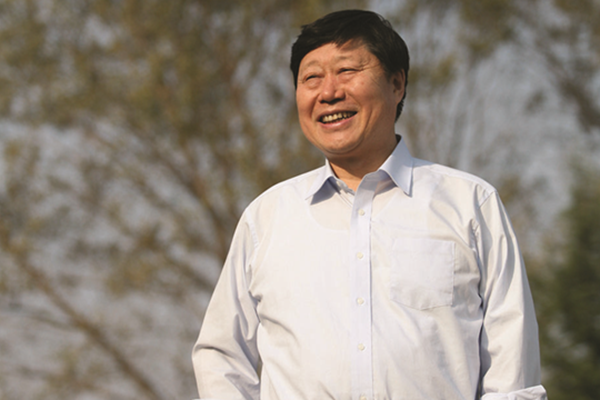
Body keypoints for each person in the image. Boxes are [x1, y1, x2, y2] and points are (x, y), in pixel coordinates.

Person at [192, 9, 547, 400]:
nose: (328, 92)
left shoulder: (470, 205)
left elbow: (512, 373)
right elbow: (220, 355)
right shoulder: (267, 218)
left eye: (347, 71)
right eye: (311, 78)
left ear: (397, 84)